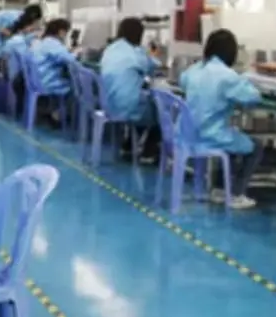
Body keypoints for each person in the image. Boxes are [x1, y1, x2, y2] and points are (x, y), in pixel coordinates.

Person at [180, 29, 262, 209]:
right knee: (255, 146)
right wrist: (245, 80)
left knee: (232, 138)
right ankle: (236, 193)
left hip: (187, 133)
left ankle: (219, 189)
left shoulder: (195, 69)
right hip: (210, 135)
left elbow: (182, 81)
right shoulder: (227, 76)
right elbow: (252, 97)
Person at [100, 18, 162, 158]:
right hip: (127, 107)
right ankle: (149, 152)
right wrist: (153, 55)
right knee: (162, 111)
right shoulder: (135, 53)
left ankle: (128, 145)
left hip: (108, 104)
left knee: (142, 103)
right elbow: (151, 66)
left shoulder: (110, 49)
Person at [32, 18, 78, 97]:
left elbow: (58, 54)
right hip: (48, 86)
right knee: (76, 87)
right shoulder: (52, 43)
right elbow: (70, 60)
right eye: (66, 33)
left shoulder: (42, 42)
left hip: (38, 83)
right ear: (61, 32)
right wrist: (77, 52)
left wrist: (69, 51)